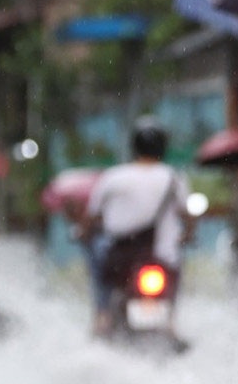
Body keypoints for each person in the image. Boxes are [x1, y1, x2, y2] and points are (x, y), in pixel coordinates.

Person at [82, 118, 195, 346]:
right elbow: (188, 217)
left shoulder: (113, 177)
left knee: (97, 260)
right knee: (176, 267)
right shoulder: (174, 178)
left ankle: (102, 317)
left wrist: (84, 232)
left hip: (120, 261)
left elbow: (90, 217)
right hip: (163, 260)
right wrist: (187, 235)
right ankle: (170, 322)